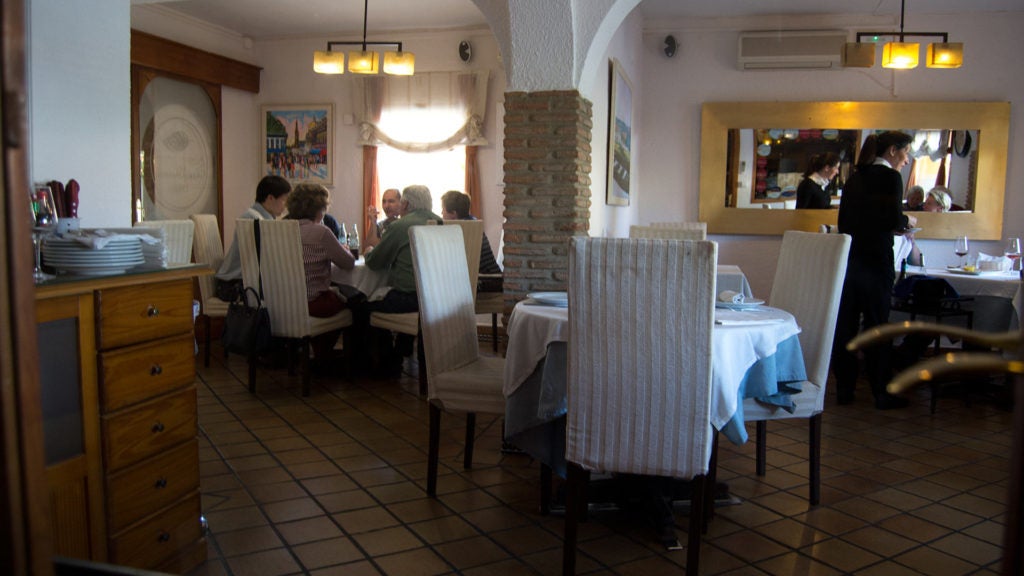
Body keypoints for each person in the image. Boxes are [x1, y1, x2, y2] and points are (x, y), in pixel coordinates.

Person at [833, 131, 917, 410]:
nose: (907, 159)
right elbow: (892, 219)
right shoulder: (890, 177)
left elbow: (844, 222)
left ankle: (844, 389)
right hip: (876, 260)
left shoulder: (855, 177)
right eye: (906, 152)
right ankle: (881, 391)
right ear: (893, 150)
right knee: (877, 326)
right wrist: (907, 220)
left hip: (851, 260)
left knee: (846, 326)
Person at [360, 185, 443, 376]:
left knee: (361, 305)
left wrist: (369, 252)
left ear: (404, 203)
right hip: (434, 298)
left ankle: (385, 362)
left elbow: (374, 263)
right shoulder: (438, 222)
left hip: (409, 298)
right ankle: (400, 350)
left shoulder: (399, 226)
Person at [284, 183, 355, 368]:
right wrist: (344, 249)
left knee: (334, 296)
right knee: (353, 302)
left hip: (283, 300)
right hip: (311, 303)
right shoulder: (321, 232)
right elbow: (347, 263)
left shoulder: (279, 229)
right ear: (319, 209)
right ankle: (326, 355)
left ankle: (315, 354)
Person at [215, 175, 291, 301]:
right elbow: (266, 258)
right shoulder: (253, 219)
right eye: (284, 200)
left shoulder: (263, 219)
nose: (286, 206)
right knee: (284, 293)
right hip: (233, 285)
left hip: (244, 282)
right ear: (270, 198)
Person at [440, 190, 503, 291]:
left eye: (443, 209)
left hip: (487, 281)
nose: (441, 213)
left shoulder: (465, 229)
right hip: (494, 279)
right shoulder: (473, 222)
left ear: (453, 214)